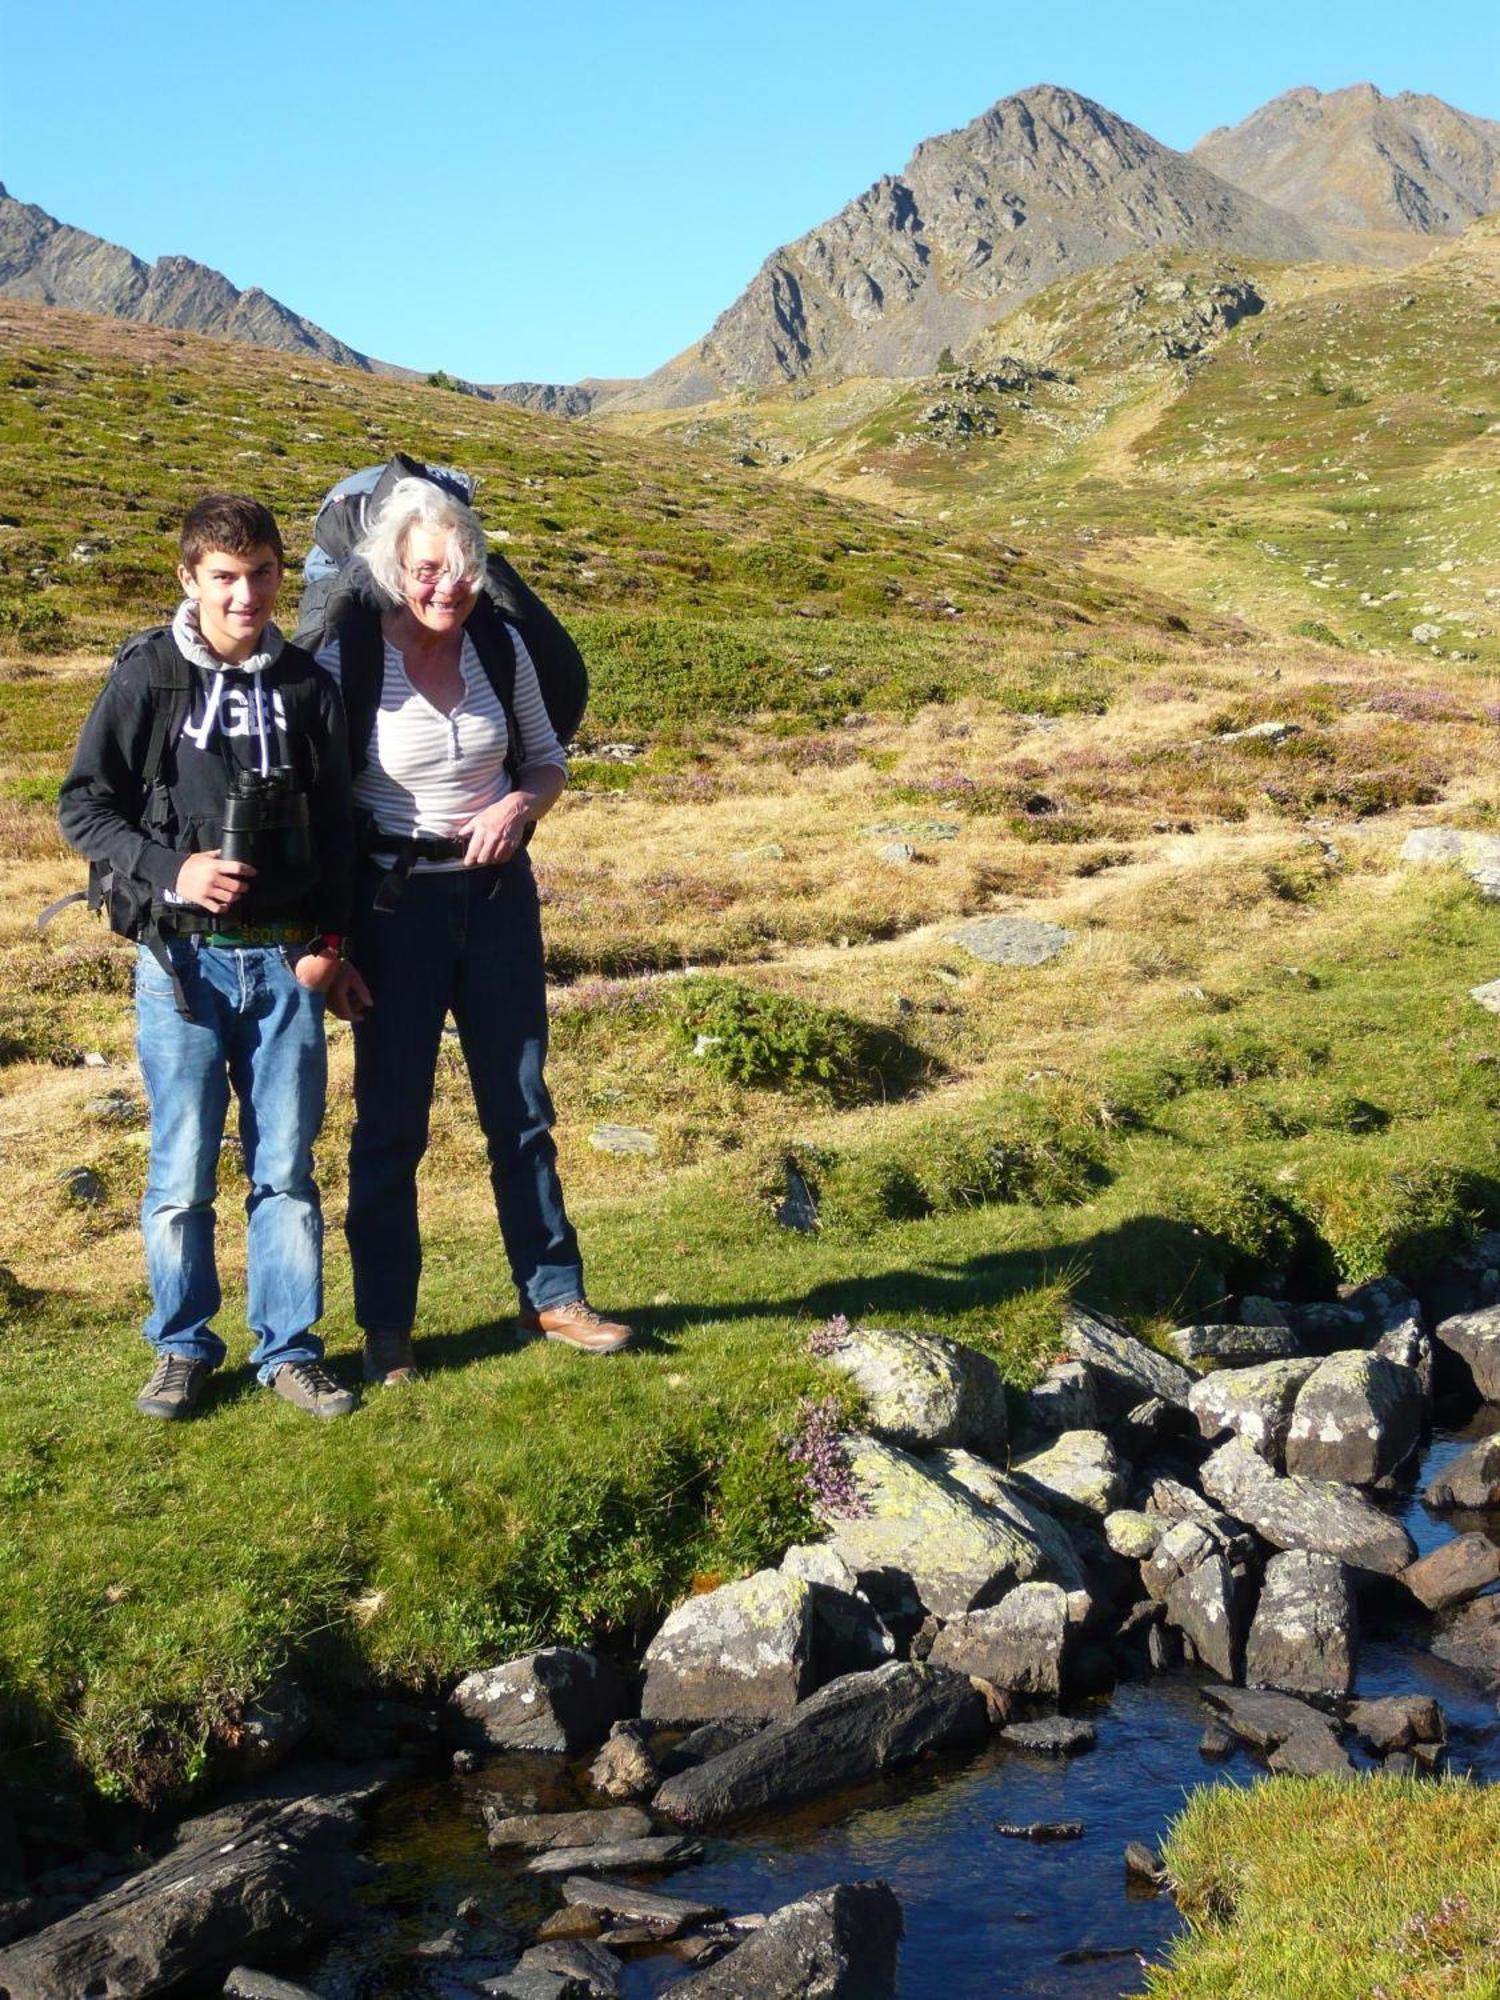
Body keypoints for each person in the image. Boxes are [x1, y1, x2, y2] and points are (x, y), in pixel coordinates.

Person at [309, 475, 631, 1383]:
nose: (445, 589)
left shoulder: (497, 644)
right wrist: (330, 949)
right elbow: (325, 811)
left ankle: (554, 1296)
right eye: (425, 571)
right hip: (392, 910)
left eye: (459, 571)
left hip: (496, 899)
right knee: (390, 1125)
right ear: (391, 568)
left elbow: (547, 759)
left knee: (521, 1107)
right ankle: (387, 1328)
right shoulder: (348, 658)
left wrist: (520, 808)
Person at [58, 494, 369, 1420]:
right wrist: (172, 869)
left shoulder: (311, 687)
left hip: (286, 969)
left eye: (263, 574)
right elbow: (83, 806)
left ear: (283, 575)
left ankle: (290, 1350)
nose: (246, 595)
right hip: (180, 968)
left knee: (287, 1168)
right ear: (189, 579)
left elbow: (344, 834)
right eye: (226, 578)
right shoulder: (148, 678)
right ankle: (182, 1347)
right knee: (182, 1168)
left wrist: (331, 944)